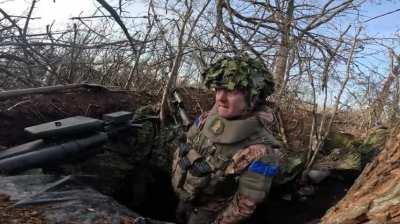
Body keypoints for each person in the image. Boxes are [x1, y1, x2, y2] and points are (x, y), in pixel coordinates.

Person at [171, 56, 283, 224]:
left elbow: (245, 204)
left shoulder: (262, 151)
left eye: (231, 91)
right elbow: (188, 144)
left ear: (253, 97)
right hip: (186, 194)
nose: (219, 98)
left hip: (209, 213)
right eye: (217, 89)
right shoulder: (207, 118)